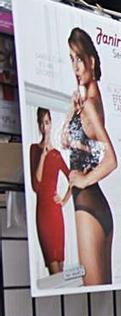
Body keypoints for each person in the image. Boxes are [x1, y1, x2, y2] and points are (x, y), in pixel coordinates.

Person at [63, 27, 116, 286]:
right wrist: (70, 114)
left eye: (79, 58)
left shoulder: (91, 105)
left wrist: (83, 180)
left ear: (91, 61)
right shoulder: (87, 102)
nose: (75, 66)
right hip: (93, 206)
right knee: (101, 298)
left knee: (94, 296)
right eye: (71, 58)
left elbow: (110, 159)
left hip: (88, 206)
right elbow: (66, 142)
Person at [29, 107, 71, 275]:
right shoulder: (34, 150)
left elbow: (73, 180)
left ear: (51, 124)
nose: (44, 127)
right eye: (41, 123)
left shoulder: (57, 155)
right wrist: (43, 156)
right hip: (43, 214)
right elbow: (35, 186)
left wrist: (64, 200)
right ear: (39, 126)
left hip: (55, 214)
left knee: (61, 268)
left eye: (47, 122)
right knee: (54, 271)